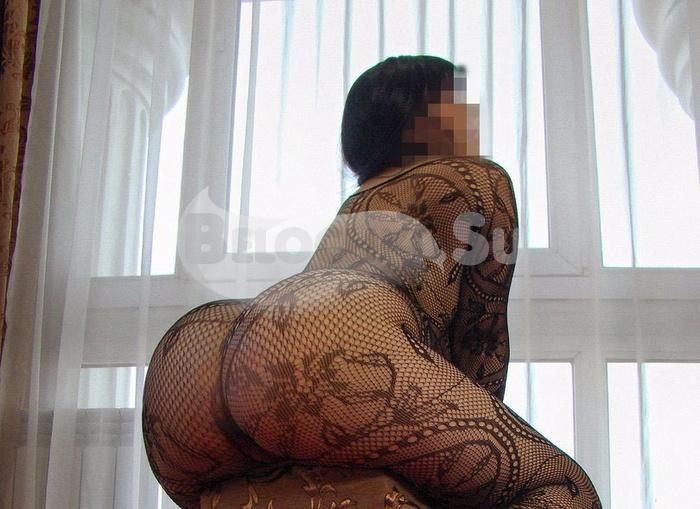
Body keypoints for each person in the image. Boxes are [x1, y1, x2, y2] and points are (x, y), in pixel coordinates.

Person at [142, 55, 602, 509]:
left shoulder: (355, 204)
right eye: (460, 105)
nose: (473, 119)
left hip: (194, 361)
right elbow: (482, 345)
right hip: (330, 342)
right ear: (428, 117)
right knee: (565, 490)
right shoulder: (477, 177)